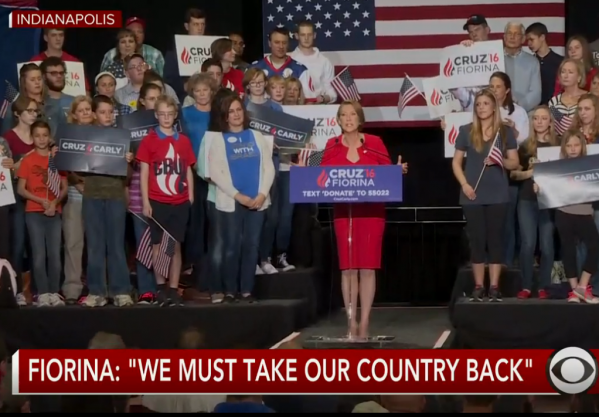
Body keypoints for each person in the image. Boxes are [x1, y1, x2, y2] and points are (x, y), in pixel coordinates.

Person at [318, 100, 407, 338]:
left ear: (360, 119)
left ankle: (365, 321)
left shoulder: (375, 144)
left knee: (367, 268)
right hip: (343, 214)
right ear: (337, 120)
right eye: (344, 115)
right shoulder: (331, 145)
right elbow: (320, 176)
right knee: (348, 269)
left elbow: (388, 174)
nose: (348, 119)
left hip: (372, 213)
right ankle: (351, 321)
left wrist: (397, 171)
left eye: (353, 115)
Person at [451, 89, 519, 302]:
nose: (481, 107)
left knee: (495, 241)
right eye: (478, 104)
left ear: (493, 107)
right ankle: (479, 285)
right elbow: (456, 162)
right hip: (472, 195)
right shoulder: (466, 131)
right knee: (477, 241)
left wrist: (500, 161)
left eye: (485, 104)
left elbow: (514, 163)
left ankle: (495, 286)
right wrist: (464, 184)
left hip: (498, 194)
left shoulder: (505, 132)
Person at [208, 95, 275, 303]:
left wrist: (262, 194)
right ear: (225, 117)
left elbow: (268, 167)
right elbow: (215, 173)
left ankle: (246, 290)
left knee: (251, 246)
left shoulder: (256, 136)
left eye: (238, 110)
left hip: (258, 201)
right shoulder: (218, 140)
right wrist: (239, 196)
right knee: (231, 247)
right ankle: (230, 290)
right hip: (232, 202)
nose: (236, 114)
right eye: (231, 112)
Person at [137, 95, 196, 307]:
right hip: (157, 200)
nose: (166, 118)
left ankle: (173, 289)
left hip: (179, 201)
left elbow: (188, 168)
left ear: (175, 115)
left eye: (170, 114)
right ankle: (160, 288)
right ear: (156, 115)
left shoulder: (184, 141)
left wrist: (190, 196)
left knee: (175, 246)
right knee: (157, 245)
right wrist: (146, 201)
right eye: (162, 114)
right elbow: (144, 173)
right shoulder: (149, 140)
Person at [81, 95, 134, 308]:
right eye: (102, 112)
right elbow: (73, 168)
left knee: (116, 246)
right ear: (94, 114)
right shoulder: (85, 137)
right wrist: (63, 154)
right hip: (92, 196)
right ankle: (97, 291)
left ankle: (121, 291)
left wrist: (128, 162)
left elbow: (129, 176)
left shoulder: (121, 137)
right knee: (94, 246)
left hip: (114, 196)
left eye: (110, 112)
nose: (107, 116)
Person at [535, 131, 599, 303]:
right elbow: (545, 186)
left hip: (585, 213)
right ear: (564, 147)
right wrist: (539, 187)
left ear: (582, 146)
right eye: (569, 145)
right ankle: (573, 291)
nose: (572, 149)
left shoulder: (591, 164)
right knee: (568, 251)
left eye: (576, 145)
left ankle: (582, 287)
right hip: (564, 213)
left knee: (595, 247)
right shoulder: (557, 166)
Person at [16, 121, 67, 307]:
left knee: (54, 254)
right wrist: (41, 201)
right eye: (37, 136)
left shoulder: (56, 159)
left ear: (49, 137)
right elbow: (21, 189)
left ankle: (54, 291)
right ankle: (43, 293)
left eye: (45, 135)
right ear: (32, 137)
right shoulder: (27, 161)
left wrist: (54, 202)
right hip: (34, 212)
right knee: (38, 255)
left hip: (54, 211)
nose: (41, 139)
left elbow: (64, 187)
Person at [512, 106, 558, 299]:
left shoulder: (559, 145)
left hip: (549, 200)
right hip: (527, 200)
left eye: (543, 118)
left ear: (550, 122)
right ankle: (526, 285)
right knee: (528, 243)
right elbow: (514, 174)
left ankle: (544, 287)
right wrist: (532, 172)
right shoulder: (525, 147)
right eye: (536, 118)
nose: (539, 121)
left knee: (547, 245)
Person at [3, 96, 39, 306]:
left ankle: (37, 290)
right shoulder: (8, 137)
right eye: (29, 111)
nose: (33, 114)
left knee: (37, 245)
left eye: (35, 111)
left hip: (38, 194)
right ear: (17, 113)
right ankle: (15, 288)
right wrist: (22, 162)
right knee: (17, 245)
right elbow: (8, 171)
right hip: (17, 196)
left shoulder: (40, 136)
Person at [128, 85, 163, 304]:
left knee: (161, 244)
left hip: (163, 193)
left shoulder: (169, 127)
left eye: (158, 98)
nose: (154, 102)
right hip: (137, 194)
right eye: (151, 98)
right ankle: (145, 289)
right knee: (142, 243)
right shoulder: (131, 124)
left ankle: (161, 288)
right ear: (142, 101)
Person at [181, 73, 215, 281]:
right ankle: (194, 261)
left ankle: (213, 260)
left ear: (212, 91)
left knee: (214, 218)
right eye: (197, 91)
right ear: (192, 93)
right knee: (195, 219)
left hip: (216, 174)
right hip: (193, 172)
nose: (202, 94)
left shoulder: (219, 113)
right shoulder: (184, 113)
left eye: (205, 90)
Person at [62, 96, 93, 305]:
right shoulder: (66, 136)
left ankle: (97, 287)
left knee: (97, 245)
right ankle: (72, 288)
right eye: (80, 110)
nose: (85, 113)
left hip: (96, 195)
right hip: (73, 196)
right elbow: (63, 166)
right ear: (73, 114)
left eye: (88, 109)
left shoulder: (102, 135)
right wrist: (78, 183)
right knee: (73, 244)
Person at [290, 20, 337, 104]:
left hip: (318, 109)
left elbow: (331, 92)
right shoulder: (290, 60)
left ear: (314, 35)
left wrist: (323, 98)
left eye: (309, 35)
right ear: (297, 36)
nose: (306, 38)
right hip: (294, 108)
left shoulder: (324, 61)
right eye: (303, 35)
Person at [100, 17, 164, 76]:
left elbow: (163, 80)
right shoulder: (110, 55)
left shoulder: (155, 54)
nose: (136, 35)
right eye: (132, 32)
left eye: (139, 32)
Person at [502, 22, 541, 112]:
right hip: (496, 113)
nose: (512, 37)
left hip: (524, 113)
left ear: (523, 39)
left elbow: (536, 93)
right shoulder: (495, 58)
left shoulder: (532, 62)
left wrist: (518, 107)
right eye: (509, 33)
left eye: (516, 34)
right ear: (504, 37)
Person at [525, 22, 563, 105]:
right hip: (534, 109)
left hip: (556, 108)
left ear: (542, 37)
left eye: (531, 39)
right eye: (527, 40)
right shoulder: (528, 62)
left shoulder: (560, 62)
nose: (529, 44)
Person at [549, 58, 589, 137]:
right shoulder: (554, 101)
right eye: (563, 72)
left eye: (570, 72)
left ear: (579, 77)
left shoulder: (589, 98)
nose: (566, 76)